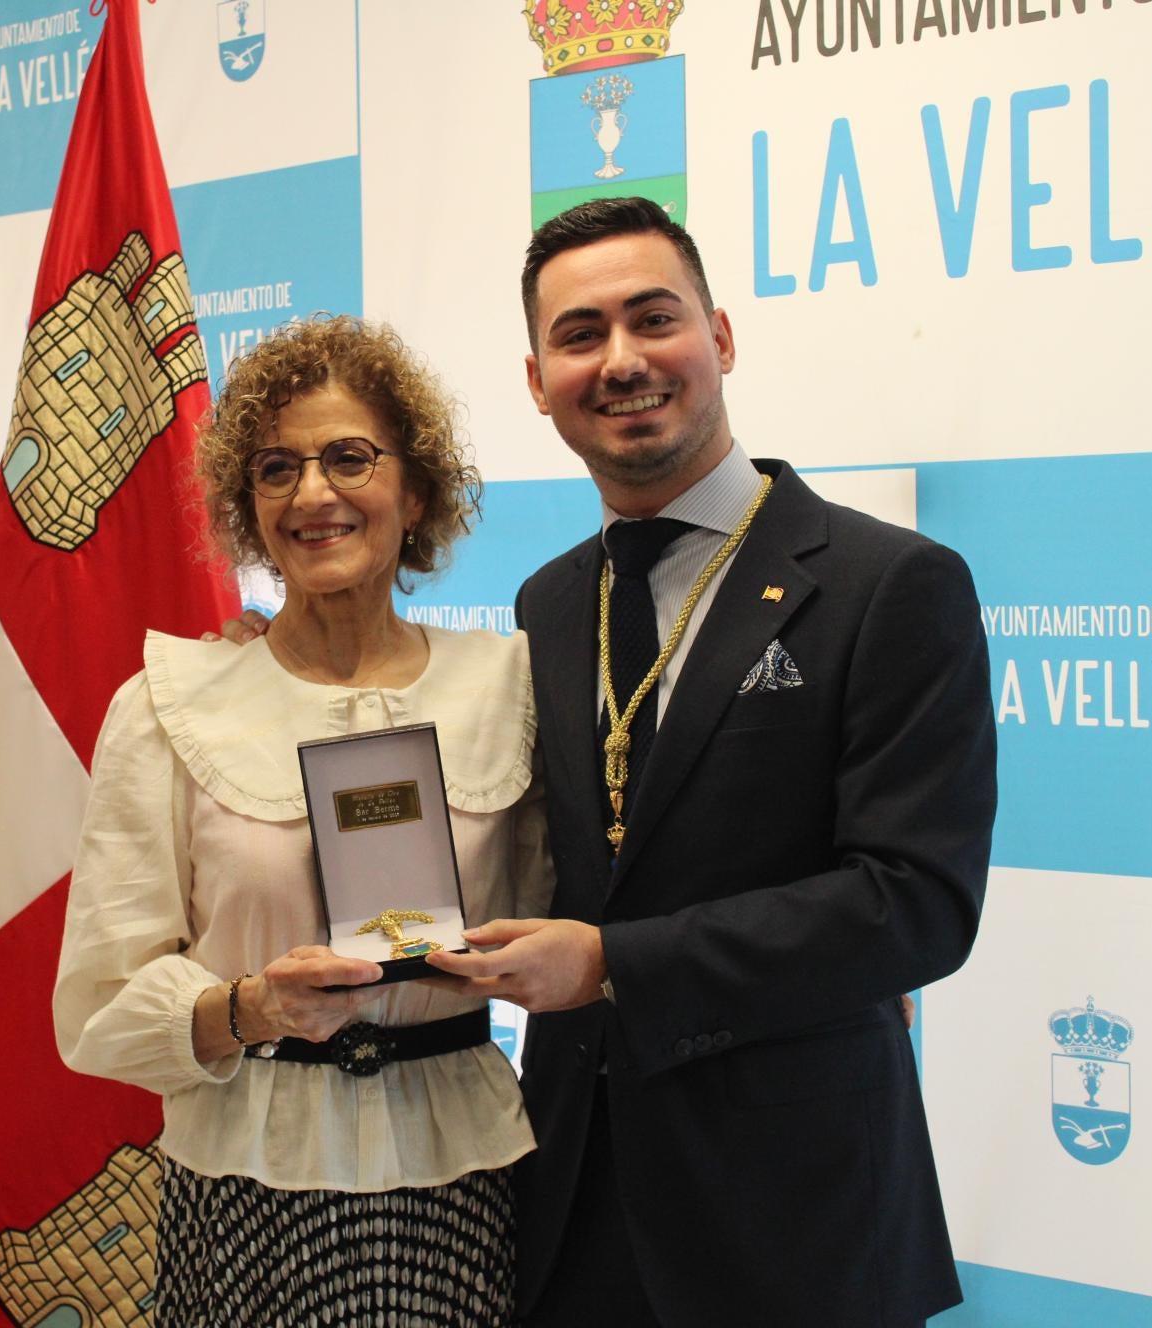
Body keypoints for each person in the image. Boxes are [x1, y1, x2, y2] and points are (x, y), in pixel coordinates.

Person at [420, 197, 998, 1326]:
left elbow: (917, 903)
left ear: (722, 337)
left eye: (654, 318)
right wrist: (289, 656)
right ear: (538, 381)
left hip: (798, 1220)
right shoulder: (546, 599)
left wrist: (613, 963)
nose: (623, 360)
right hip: (574, 1207)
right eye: (580, 335)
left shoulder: (890, 585)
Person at [52, 315, 551, 1327]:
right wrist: (250, 1007)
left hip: (459, 1172)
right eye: (277, 469)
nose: (313, 493)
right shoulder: (170, 701)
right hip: (243, 1187)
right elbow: (97, 1006)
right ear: (248, 508)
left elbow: (578, 909)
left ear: (414, 492)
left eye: (349, 458)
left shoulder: (512, 684)